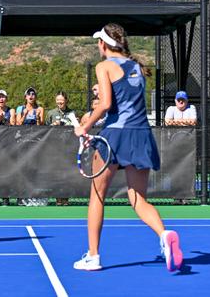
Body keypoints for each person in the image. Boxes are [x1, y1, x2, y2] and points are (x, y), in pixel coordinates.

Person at [73, 23, 182, 272]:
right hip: (142, 135)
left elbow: (105, 104)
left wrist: (85, 126)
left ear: (103, 44)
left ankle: (93, 256)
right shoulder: (137, 67)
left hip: (116, 136)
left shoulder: (104, 66)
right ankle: (164, 236)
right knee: (138, 199)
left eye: (98, 42)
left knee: (97, 195)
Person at [45, 92, 75, 206]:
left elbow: (76, 127)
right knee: (56, 173)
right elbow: (44, 130)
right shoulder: (51, 113)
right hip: (54, 148)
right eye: (58, 100)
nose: (59, 102)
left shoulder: (72, 113)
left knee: (67, 174)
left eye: (61, 100)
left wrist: (70, 123)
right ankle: (58, 198)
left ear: (66, 100)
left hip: (68, 147)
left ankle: (65, 198)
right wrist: (53, 125)